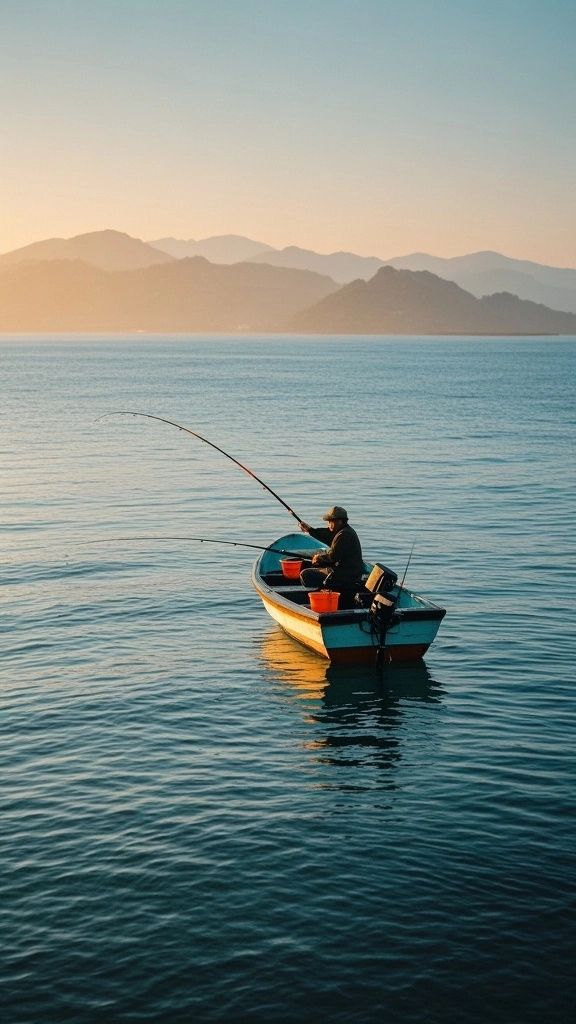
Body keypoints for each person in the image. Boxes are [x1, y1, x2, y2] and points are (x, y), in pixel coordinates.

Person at [299, 505, 364, 605]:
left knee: (305, 574)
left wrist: (318, 558)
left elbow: (333, 557)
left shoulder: (343, 535)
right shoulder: (345, 531)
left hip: (345, 575)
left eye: (330, 521)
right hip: (350, 572)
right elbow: (327, 536)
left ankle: (324, 593)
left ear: (339, 521)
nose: (328, 524)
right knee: (310, 565)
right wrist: (310, 530)